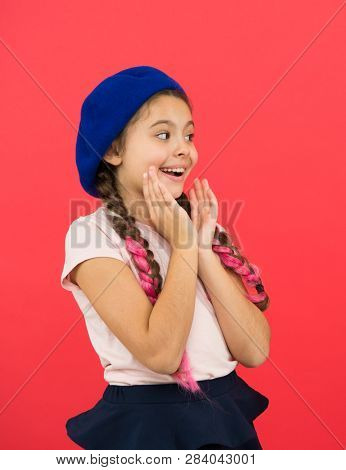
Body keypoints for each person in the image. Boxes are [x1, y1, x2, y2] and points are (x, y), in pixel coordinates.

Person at [60, 65, 271, 450]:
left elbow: (254, 352)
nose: (184, 149)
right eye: (163, 134)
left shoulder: (196, 229)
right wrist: (185, 247)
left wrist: (201, 248)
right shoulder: (91, 236)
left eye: (189, 135)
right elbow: (162, 353)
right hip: (148, 425)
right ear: (113, 150)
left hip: (223, 420)